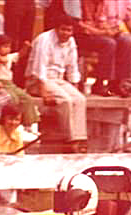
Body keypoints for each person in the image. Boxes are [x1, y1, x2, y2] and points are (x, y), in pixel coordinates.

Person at [25, 14, 88, 150]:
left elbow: (72, 67)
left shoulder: (71, 41)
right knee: (65, 100)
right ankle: (70, 139)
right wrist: (43, 93)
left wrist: (75, 87)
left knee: (80, 99)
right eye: (63, 30)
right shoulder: (44, 40)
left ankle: (80, 138)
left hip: (58, 79)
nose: (66, 33)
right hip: (38, 81)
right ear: (56, 29)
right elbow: (39, 67)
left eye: (69, 30)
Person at [75, 0, 131, 97]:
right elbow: (80, 26)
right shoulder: (81, 2)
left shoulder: (102, 3)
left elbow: (101, 21)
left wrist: (110, 30)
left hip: (97, 33)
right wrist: (103, 32)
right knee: (109, 44)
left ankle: (117, 83)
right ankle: (99, 82)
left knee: (125, 41)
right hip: (82, 35)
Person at [0, 33, 40, 128]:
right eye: (5, 47)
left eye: (9, 47)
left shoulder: (9, 56)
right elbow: (1, 60)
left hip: (10, 84)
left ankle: (29, 124)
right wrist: (8, 57)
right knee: (13, 99)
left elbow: (20, 54)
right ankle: (10, 122)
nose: (8, 49)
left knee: (27, 98)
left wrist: (25, 47)